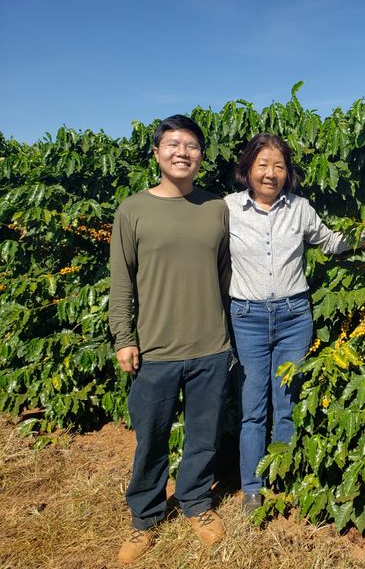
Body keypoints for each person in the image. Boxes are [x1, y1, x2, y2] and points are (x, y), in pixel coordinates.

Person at [225, 133, 365, 514]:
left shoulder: (299, 209)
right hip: (246, 318)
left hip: (294, 317)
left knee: (287, 400)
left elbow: (330, 242)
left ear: (288, 172)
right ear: (247, 169)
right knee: (253, 407)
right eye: (262, 165)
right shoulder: (227, 209)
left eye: (279, 166)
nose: (270, 173)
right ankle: (252, 487)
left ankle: (283, 477)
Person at [109, 114, 232, 564]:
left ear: (202, 155)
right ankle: (145, 516)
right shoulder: (133, 210)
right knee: (151, 437)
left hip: (211, 348)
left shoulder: (216, 208)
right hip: (156, 350)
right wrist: (124, 336)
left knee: (202, 435)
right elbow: (121, 280)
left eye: (192, 146)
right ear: (157, 152)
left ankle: (196, 502)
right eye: (174, 144)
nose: (183, 153)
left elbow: (225, 276)